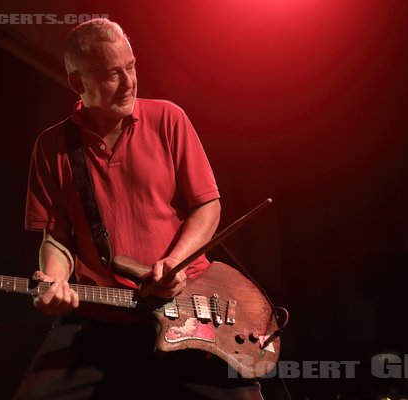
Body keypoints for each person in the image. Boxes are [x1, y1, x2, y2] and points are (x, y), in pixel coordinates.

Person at [15, 18, 264, 400]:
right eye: (113, 74)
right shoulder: (51, 147)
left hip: (188, 306)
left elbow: (208, 205)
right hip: (99, 317)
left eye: (131, 66)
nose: (130, 82)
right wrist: (53, 278)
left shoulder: (169, 118)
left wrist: (175, 262)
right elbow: (58, 237)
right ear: (78, 84)